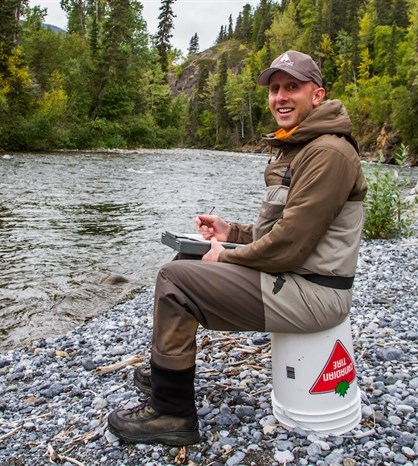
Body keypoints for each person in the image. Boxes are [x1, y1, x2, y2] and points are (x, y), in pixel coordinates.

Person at [107, 50, 368, 445]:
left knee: (175, 282)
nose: (280, 96)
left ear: (317, 95)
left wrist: (226, 254)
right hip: (293, 277)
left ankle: (171, 413)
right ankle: (167, 373)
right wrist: (231, 232)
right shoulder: (302, 146)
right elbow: (283, 231)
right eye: (275, 88)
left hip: (314, 292)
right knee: (186, 257)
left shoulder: (327, 153)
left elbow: (290, 247)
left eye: (292, 87)